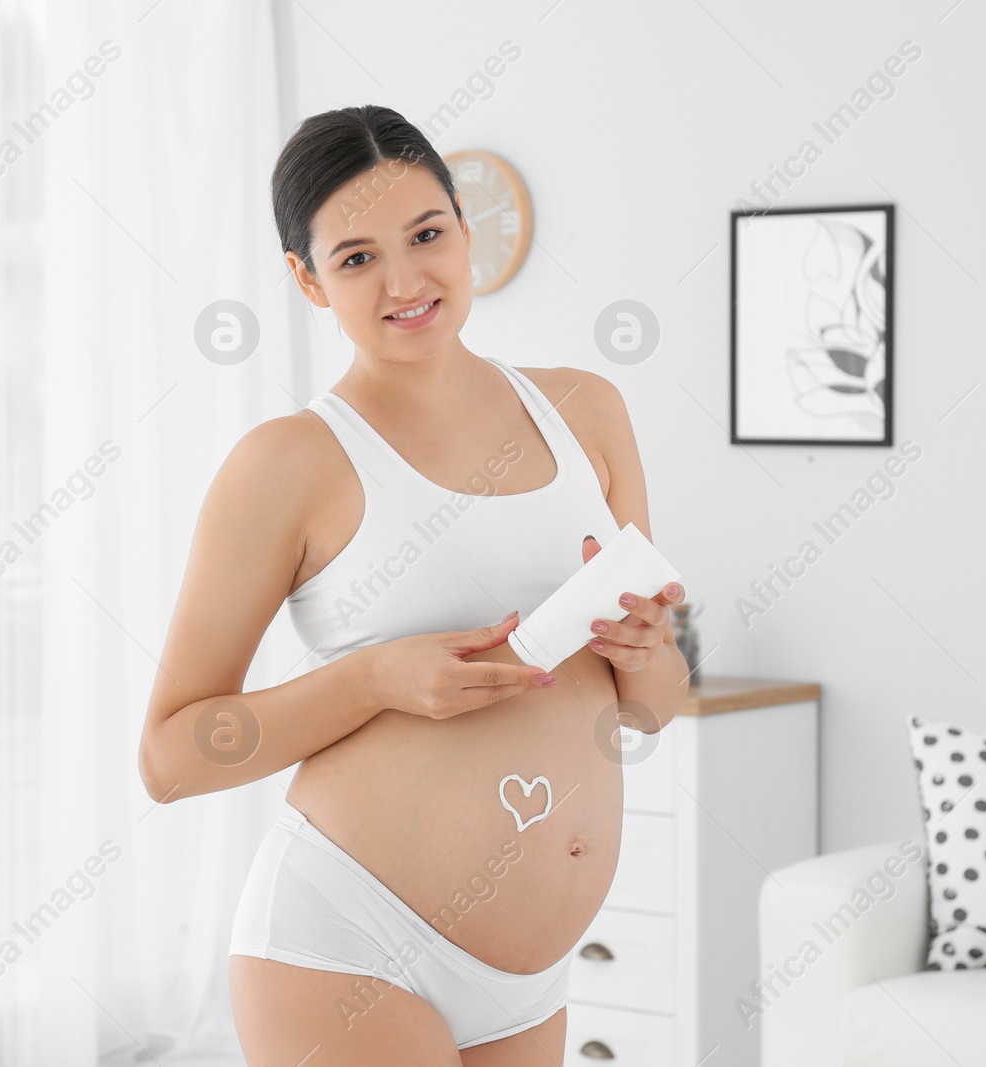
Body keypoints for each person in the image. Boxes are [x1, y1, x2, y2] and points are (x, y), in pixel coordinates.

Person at [137, 104, 690, 1067]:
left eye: (427, 235)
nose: (405, 281)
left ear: (463, 230)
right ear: (307, 279)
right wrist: (372, 682)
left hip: (530, 978)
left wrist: (652, 658)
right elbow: (172, 758)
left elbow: (649, 709)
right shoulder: (286, 465)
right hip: (351, 948)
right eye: (355, 258)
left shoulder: (586, 411)